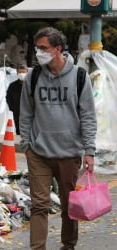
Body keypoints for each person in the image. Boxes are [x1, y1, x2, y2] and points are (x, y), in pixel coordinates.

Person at [19, 27, 97, 250]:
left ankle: (68, 244)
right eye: (37, 48)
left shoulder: (80, 77)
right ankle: (38, 247)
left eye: (43, 48)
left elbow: (88, 116)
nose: (38, 52)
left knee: (69, 205)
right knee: (39, 205)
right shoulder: (33, 76)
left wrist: (89, 151)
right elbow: (25, 113)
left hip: (69, 153)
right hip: (38, 152)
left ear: (58, 50)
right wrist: (26, 144)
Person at [6, 64, 27, 135]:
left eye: (23, 72)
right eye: (20, 72)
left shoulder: (30, 85)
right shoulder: (13, 85)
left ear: (27, 72)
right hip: (17, 112)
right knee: (18, 129)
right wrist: (12, 108)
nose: (22, 74)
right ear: (17, 73)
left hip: (28, 112)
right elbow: (8, 97)